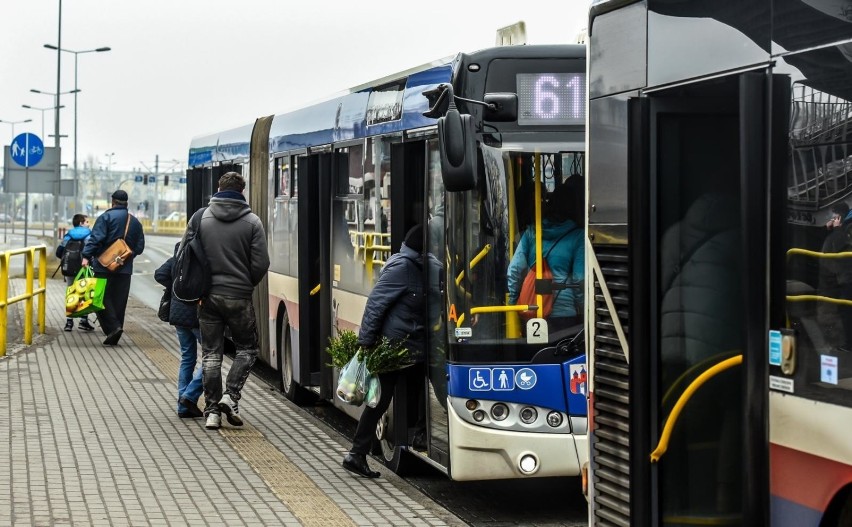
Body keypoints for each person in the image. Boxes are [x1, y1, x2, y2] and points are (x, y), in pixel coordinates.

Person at [342, 224, 427, 479]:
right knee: (379, 400)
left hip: (415, 346)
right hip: (395, 348)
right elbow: (376, 304)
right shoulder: (402, 267)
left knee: (422, 390)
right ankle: (357, 454)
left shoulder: (426, 266)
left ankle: (421, 436)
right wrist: (366, 343)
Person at [187, 172, 269, 431]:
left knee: (211, 354)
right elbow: (261, 263)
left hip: (207, 296)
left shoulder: (200, 218)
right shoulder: (252, 222)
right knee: (247, 349)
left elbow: (185, 254)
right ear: (242, 191)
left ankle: (212, 412)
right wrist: (245, 283)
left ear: (218, 188)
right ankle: (230, 396)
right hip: (239, 296)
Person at [507, 183, 585, 333]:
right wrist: (583, 309)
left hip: (533, 311)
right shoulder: (578, 236)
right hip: (564, 315)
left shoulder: (532, 231)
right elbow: (579, 278)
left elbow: (514, 270)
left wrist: (514, 304)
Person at [81, 190, 145, 346]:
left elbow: (96, 239)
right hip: (125, 269)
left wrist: (86, 256)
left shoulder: (106, 217)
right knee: (119, 300)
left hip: (103, 266)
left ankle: (113, 328)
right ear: (126, 203)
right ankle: (116, 331)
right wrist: (125, 257)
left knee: (100, 297)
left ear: (113, 202)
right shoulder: (135, 222)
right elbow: (140, 246)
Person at [155, 243, 204, 418]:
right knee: (212, 357)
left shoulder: (178, 256)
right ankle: (188, 397)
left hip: (178, 313)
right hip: (197, 315)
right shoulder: (204, 258)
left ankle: (183, 406)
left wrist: (175, 288)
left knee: (187, 357)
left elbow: (159, 274)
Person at [819, 201, 852, 349]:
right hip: (835, 278)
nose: (832, 219)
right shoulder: (838, 230)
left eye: (834, 216)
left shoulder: (847, 228)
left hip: (846, 278)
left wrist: (838, 230)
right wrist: (829, 230)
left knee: (846, 312)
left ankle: (848, 343)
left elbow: (842, 249)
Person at [56, 214, 95, 332]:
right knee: (85, 293)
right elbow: (93, 251)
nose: (89, 224)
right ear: (81, 223)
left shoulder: (68, 235)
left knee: (71, 292)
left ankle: (69, 322)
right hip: (84, 267)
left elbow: (59, 252)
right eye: (87, 222)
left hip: (70, 268)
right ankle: (83, 321)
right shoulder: (90, 235)